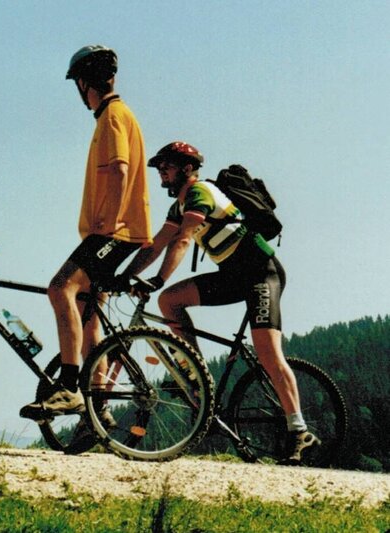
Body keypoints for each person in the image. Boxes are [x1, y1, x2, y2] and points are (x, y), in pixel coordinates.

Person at [117, 141, 319, 465]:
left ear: (186, 168)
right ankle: (198, 377)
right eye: (159, 167)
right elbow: (156, 245)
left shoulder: (200, 194)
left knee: (268, 353)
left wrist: (158, 279)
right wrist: (124, 276)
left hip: (261, 274)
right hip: (233, 276)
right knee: (170, 301)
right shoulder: (179, 206)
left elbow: (183, 239)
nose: (161, 171)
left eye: (166, 166)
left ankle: (299, 430)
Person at [20, 45, 152, 421]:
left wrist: (107, 225)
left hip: (115, 231)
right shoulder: (117, 115)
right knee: (88, 316)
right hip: (121, 231)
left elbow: (120, 170)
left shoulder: (112, 116)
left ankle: (68, 387)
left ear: (83, 83)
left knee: (59, 288)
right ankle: (98, 411)